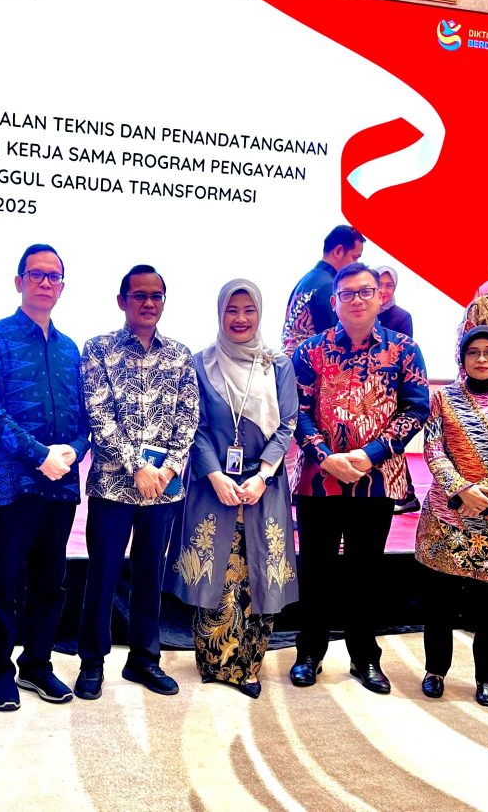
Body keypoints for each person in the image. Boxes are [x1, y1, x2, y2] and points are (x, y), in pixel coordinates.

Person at [289, 263, 429, 694]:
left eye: (365, 291)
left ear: (380, 296)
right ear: (334, 302)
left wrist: (370, 454)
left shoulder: (404, 350)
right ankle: (308, 653)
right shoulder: (309, 351)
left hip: (377, 481)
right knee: (316, 570)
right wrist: (325, 457)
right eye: (347, 294)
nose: (357, 300)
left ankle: (365, 657)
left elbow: (416, 409)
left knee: (365, 573)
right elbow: (296, 411)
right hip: (319, 480)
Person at [0, 244, 91, 711]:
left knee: (50, 582)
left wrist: (74, 451)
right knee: (2, 583)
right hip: (8, 484)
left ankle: (37, 664)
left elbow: (85, 417)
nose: (45, 282)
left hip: (60, 484)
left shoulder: (70, 348)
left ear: (62, 287)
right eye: (36, 274)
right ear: (19, 281)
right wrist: (39, 455)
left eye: (54, 276)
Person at [165, 279, 299, 698]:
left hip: (265, 484)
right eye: (232, 310)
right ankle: (214, 662)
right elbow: (195, 426)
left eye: (248, 310)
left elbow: (287, 424)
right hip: (212, 485)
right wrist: (215, 476)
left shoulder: (278, 364)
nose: (240, 319)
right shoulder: (201, 363)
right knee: (217, 572)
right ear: (220, 313)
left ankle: (248, 666)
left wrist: (262, 475)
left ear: (259, 313)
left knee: (258, 573)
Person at [74, 265, 199, 700]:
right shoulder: (98, 349)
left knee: (150, 577)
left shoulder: (180, 355)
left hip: (163, 490)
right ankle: (92, 662)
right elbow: (98, 414)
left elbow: (188, 417)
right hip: (113, 486)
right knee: (102, 575)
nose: (148, 303)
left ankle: (144, 660)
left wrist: (168, 469)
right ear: (122, 301)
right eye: (139, 295)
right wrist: (137, 468)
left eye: (156, 296)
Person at [416, 326, 488, 707]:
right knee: (438, 604)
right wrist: (460, 490)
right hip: (444, 518)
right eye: (473, 352)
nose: (481, 359)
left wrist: (482, 493)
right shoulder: (443, 398)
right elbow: (433, 448)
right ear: (462, 358)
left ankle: (487, 678)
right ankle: (435, 671)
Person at [281, 225, 364, 357]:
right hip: (312, 364)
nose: (356, 264)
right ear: (338, 251)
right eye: (355, 257)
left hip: (292, 361)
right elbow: (337, 338)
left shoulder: (306, 280)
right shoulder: (328, 286)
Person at [377, 265, 420, 515]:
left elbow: (403, 354)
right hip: (367, 388)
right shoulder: (361, 312)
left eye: (389, 286)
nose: (383, 290)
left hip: (390, 386)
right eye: (379, 285)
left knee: (392, 442)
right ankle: (407, 494)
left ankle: (406, 493)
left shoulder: (401, 316)